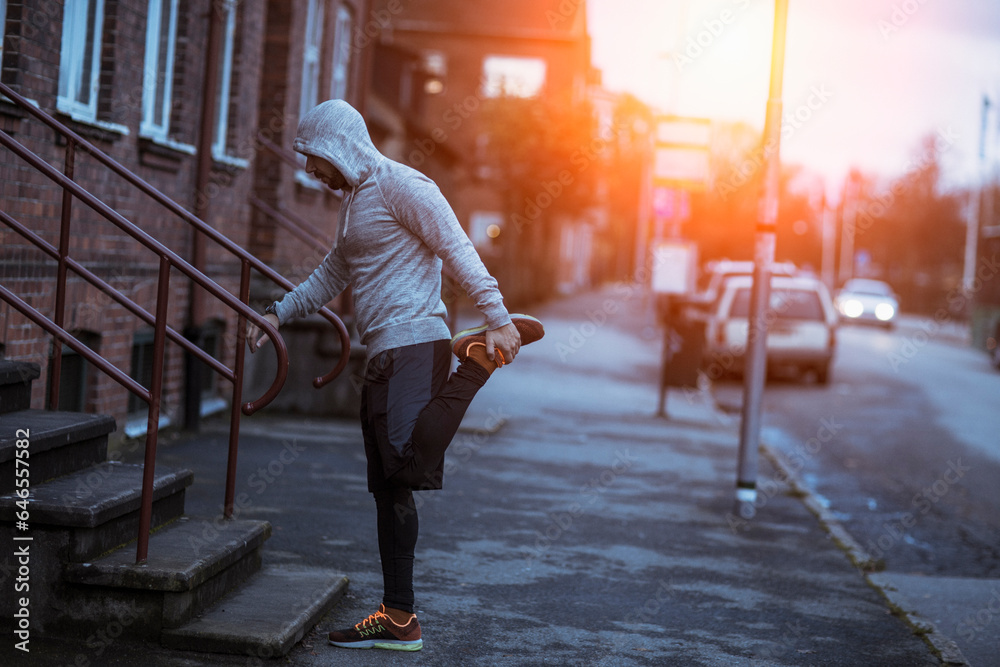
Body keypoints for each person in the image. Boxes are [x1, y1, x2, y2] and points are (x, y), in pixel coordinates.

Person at [245, 99, 543, 652]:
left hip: (415, 344)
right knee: (387, 488)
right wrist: (277, 312)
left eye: (314, 158)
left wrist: (497, 318)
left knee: (405, 464)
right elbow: (335, 269)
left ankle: (475, 363)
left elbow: (457, 248)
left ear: (339, 147)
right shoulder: (356, 201)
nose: (309, 170)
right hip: (382, 352)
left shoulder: (406, 186)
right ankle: (399, 617)